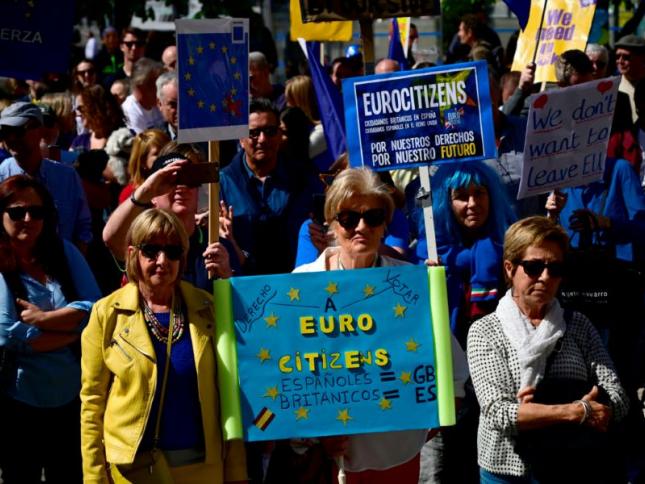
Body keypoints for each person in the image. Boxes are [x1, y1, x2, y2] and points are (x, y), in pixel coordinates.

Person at [292, 168, 468, 483]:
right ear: (332, 222)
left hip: (398, 458)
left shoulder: (411, 285)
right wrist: (316, 435)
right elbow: (288, 376)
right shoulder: (302, 285)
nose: (361, 227)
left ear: (385, 225)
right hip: (331, 463)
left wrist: (416, 428)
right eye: (349, 218)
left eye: (372, 217)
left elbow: (453, 378)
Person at [80, 208, 247, 482]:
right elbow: (92, 404)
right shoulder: (106, 314)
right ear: (132, 253)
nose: (162, 260)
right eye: (151, 250)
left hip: (202, 469)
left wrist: (237, 470)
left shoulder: (209, 309)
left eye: (172, 251)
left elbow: (232, 394)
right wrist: (94, 477)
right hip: (133, 471)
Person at [467, 216, 629, 483]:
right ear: (509, 268)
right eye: (533, 267)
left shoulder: (578, 325)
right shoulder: (485, 331)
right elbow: (499, 412)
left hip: (572, 464)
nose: (545, 277)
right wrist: (576, 411)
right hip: (508, 470)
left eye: (555, 268)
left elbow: (617, 396)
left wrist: (598, 408)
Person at [0, 175, 100, 483]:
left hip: (72, 398)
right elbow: (7, 332)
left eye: (37, 211)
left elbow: (97, 310)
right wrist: (72, 329)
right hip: (18, 402)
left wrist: (43, 319)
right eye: (17, 212)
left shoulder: (64, 252)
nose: (28, 219)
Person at [103, 142, 236, 290]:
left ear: (198, 191)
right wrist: (145, 190)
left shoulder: (217, 246)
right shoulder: (143, 245)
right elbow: (111, 238)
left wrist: (226, 277)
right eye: (171, 180)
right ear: (153, 195)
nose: (181, 186)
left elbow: (236, 302)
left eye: (190, 179)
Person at [219, 98, 320, 275]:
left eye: (270, 131)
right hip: (243, 282)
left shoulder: (303, 177)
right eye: (253, 133)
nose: (263, 139)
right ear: (241, 139)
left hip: (295, 280)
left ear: (280, 134)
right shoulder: (223, 182)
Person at [0, 101, 92, 248]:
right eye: (5, 132)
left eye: (18, 131)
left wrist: (73, 258)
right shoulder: (2, 176)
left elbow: (83, 228)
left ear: (39, 131)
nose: (11, 138)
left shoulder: (67, 177)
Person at [118, 128, 170, 204]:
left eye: (167, 150)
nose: (165, 155)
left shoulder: (182, 184)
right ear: (143, 161)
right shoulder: (130, 195)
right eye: (157, 153)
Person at [121, 58, 165, 134]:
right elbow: (143, 140)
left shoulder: (158, 102)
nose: (158, 89)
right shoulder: (130, 109)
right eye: (152, 85)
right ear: (138, 86)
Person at [156, 71, 178, 140]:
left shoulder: (205, 135)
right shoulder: (156, 141)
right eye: (173, 104)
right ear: (160, 104)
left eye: (185, 103)